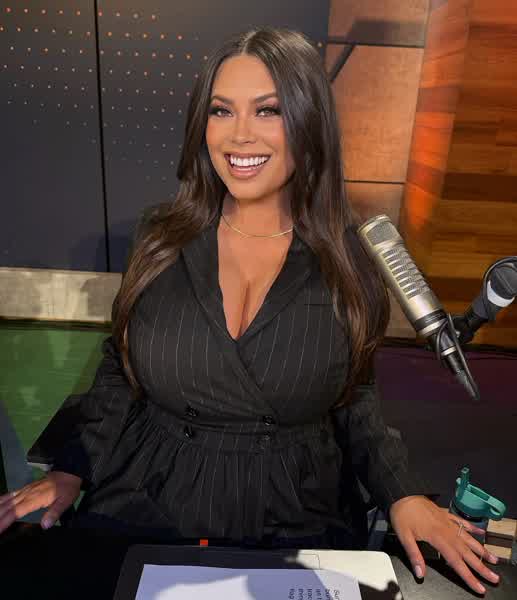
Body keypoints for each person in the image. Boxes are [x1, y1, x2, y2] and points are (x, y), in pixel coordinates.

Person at [0, 27, 499, 595]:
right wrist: (72, 467)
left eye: (268, 110)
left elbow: (353, 397)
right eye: (221, 111)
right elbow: (123, 365)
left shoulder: (351, 258)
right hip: (148, 496)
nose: (239, 134)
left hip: (295, 508)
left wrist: (400, 491)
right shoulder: (159, 236)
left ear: (309, 122)